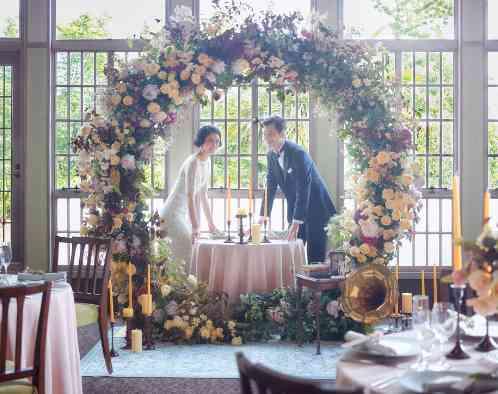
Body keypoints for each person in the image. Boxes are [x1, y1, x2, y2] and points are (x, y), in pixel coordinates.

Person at [260, 116, 336, 263]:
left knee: (315, 256)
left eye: (271, 134)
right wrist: (263, 215)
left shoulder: (298, 153)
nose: (267, 138)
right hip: (297, 209)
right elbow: (270, 186)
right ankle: (294, 286)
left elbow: (303, 188)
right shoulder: (271, 155)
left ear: (282, 134)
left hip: (317, 209)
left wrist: (296, 221)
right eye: (265, 135)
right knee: (293, 253)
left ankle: (315, 286)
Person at [159, 125, 220, 266]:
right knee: (186, 248)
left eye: (217, 141)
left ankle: (181, 287)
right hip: (171, 215)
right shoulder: (193, 162)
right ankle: (178, 287)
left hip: (183, 215)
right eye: (210, 140)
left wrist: (211, 225)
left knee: (186, 252)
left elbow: (203, 195)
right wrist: (195, 226)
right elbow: (190, 196)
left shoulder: (208, 161)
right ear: (201, 141)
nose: (214, 145)